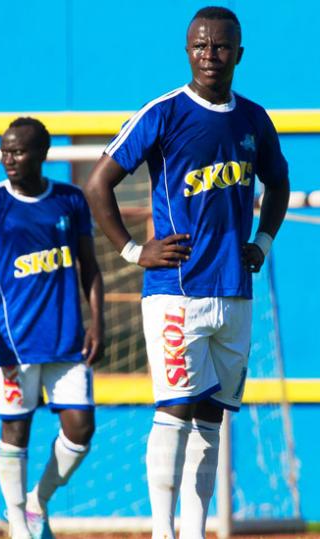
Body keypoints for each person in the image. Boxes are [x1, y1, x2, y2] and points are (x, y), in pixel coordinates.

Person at [83, 7, 290, 538]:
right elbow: (97, 184)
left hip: (234, 291)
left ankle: (195, 532)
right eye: (200, 46)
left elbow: (280, 183)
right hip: (176, 291)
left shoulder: (254, 120)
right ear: (187, 50)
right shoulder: (164, 112)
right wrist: (132, 251)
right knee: (175, 407)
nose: (210, 55)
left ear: (239, 53)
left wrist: (262, 242)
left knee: (211, 414)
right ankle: (162, 530)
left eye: (221, 47)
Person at [0, 118, 103, 539]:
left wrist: (98, 321)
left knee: (81, 430)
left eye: (18, 152)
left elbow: (90, 268)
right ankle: (18, 522)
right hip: (14, 343)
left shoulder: (70, 200)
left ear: (42, 153)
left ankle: (38, 500)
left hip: (68, 341)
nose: (9, 159)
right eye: (4, 151)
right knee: (16, 431)